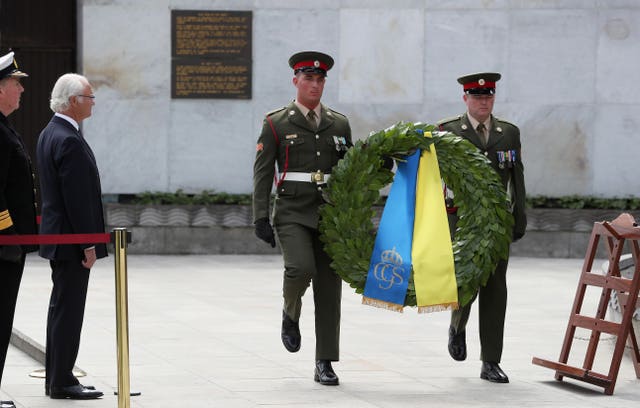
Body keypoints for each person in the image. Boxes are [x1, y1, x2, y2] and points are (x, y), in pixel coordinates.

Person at [252, 51, 352, 385]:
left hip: (330, 214)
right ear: (296, 81)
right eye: (308, 78)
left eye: (320, 79)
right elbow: (263, 174)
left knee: (329, 288)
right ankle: (290, 312)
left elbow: (350, 168)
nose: (314, 84)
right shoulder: (276, 122)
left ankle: (325, 361)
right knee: (300, 268)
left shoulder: (338, 123)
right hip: (293, 211)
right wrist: (260, 218)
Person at [438, 72, 526, 384]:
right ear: (465, 99)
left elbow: (516, 179)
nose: (483, 101)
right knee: (466, 284)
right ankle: (457, 325)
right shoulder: (448, 131)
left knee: (495, 290)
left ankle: (491, 361)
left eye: (488, 96)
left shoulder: (508, 132)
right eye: (477, 97)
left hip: (496, 225)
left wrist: (519, 218)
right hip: (461, 222)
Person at [36, 73, 106, 400]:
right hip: (72, 243)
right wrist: (88, 244)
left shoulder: (51, 132)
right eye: (89, 97)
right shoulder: (67, 139)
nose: (93, 102)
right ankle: (62, 380)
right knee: (68, 311)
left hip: (60, 240)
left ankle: (57, 377)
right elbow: (77, 199)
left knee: (61, 309)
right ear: (73, 101)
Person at [0, 51, 38, 408]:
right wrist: (8, 236)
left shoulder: (4, 127)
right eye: (16, 84)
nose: (21, 90)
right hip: (2, 246)